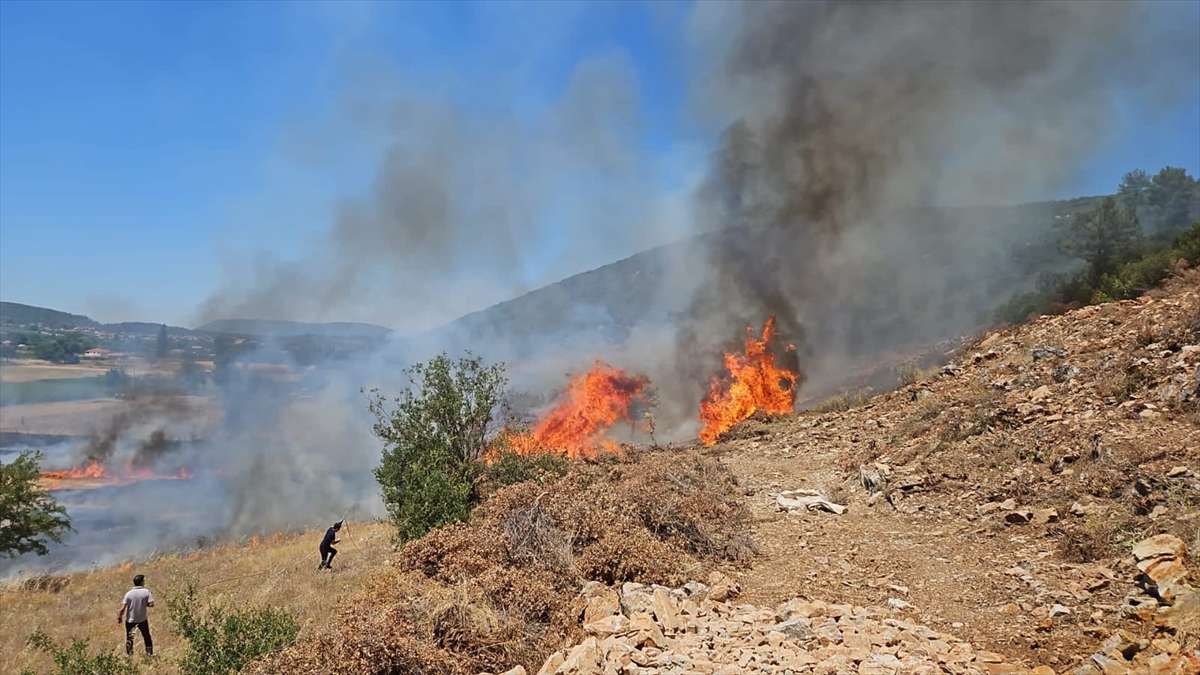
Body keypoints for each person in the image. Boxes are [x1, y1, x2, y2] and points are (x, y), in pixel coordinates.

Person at [117, 574, 154, 656]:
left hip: (130, 620)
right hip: (142, 619)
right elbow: (151, 604)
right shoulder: (146, 592)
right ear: (142, 582)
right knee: (146, 636)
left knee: (130, 638)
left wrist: (119, 617)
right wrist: (144, 604)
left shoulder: (128, 594)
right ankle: (149, 654)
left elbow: (122, 608)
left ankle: (130, 655)